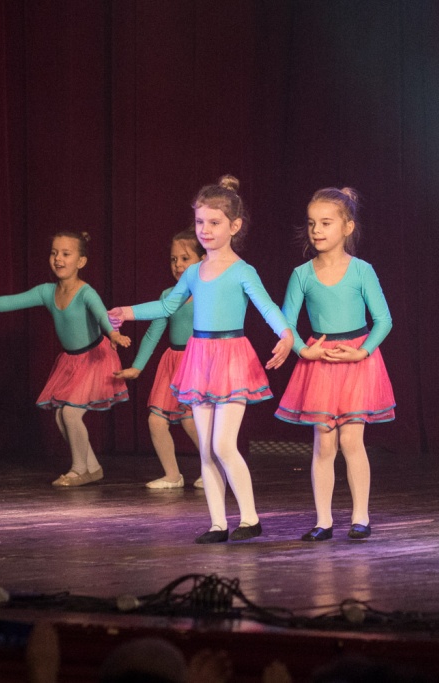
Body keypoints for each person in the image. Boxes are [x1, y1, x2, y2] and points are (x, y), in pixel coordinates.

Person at [109, 176, 293, 543]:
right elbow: (166, 306)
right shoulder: (194, 272)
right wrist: (128, 312)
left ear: (234, 226)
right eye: (199, 222)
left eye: (214, 222)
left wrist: (285, 334)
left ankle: (250, 518)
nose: (205, 230)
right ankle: (218, 524)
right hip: (200, 357)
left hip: (231, 358)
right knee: (207, 449)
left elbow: (267, 307)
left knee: (223, 444)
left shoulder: (242, 271)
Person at [0, 232, 131, 486]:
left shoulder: (86, 293)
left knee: (70, 414)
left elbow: (102, 315)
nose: (58, 259)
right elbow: (12, 301)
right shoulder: (47, 292)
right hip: (72, 361)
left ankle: (79, 470)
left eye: (66, 254)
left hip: (95, 358)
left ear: (81, 261)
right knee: (60, 415)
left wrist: (113, 333)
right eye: (54, 253)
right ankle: (92, 467)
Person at [275, 188, 395, 541]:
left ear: (347, 227)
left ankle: (361, 517)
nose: (317, 230)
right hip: (321, 361)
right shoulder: (302, 274)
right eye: (312, 223)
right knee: (324, 444)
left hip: (356, 361)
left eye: (326, 223)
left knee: (352, 440)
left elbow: (384, 320)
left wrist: (363, 351)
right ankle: (323, 520)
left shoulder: (361, 271)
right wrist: (302, 350)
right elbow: (285, 322)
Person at [114, 229, 205, 489]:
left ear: (202, 259)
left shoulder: (208, 294)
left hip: (196, 361)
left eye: (185, 258)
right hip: (172, 362)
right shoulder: (168, 295)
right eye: (173, 259)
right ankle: (172, 475)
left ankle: (214, 470)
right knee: (156, 419)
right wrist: (137, 367)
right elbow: (154, 332)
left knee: (191, 421)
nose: (178, 265)